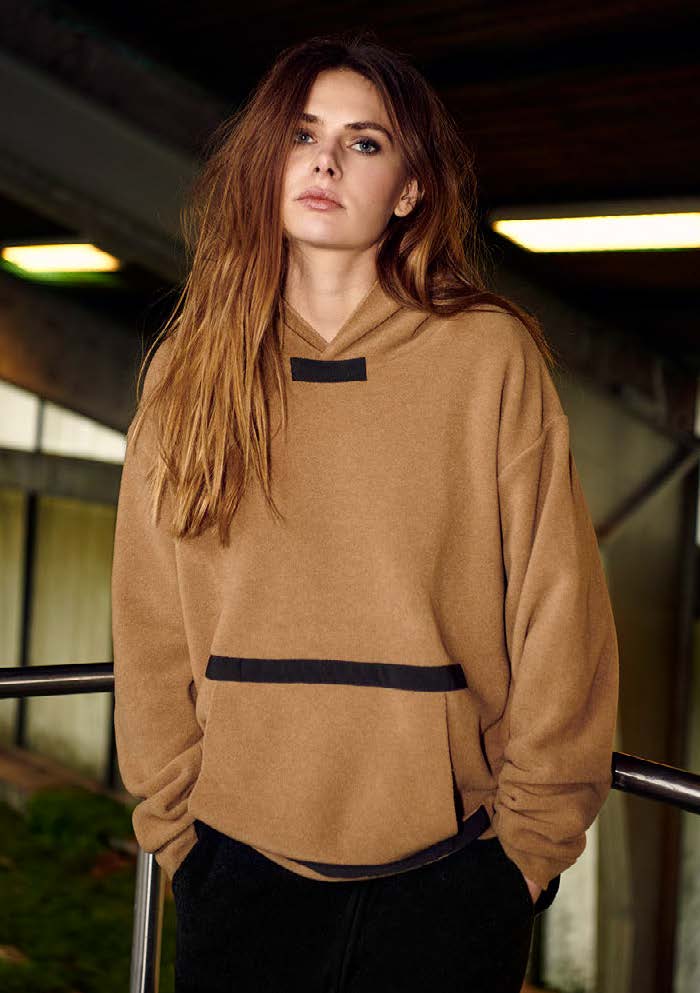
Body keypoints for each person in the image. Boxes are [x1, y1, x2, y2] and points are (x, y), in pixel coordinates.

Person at [111, 30, 620, 993]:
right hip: (237, 864)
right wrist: (178, 828)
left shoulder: (486, 356)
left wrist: (527, 849)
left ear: (410, 189)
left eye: (365, 142)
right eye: (303, 135)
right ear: (269, 162)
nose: (326, 161)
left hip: (452, 872)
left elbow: (560, 606)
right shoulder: (193, 363)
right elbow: (148, 615)